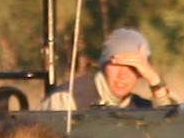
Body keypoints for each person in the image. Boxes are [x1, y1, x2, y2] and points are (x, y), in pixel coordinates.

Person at [47, 27, 177, 111]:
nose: (123, 75)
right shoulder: (67, 99)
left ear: (142, 73)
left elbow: (173, 126)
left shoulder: (142, 108)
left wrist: (155, 81)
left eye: (133, 67)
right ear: (103, 66)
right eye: (117, 64)